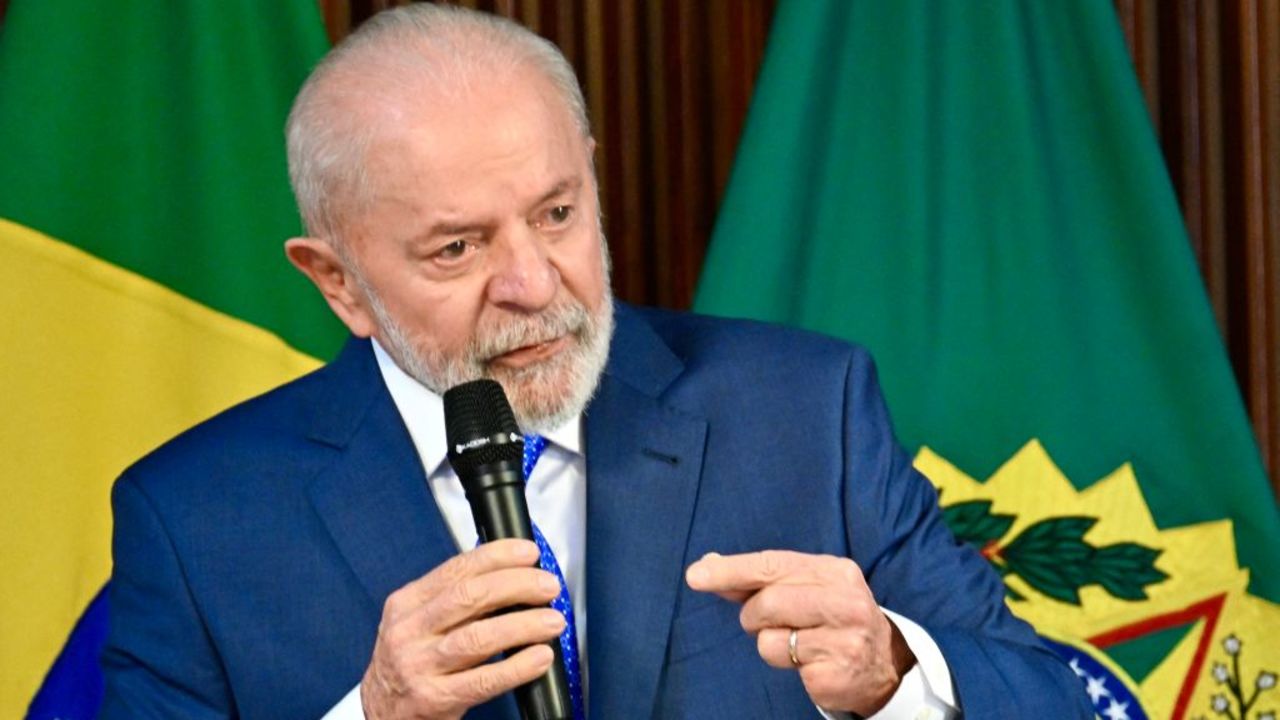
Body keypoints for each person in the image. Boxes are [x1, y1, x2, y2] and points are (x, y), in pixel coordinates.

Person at [100, 5, 1092, 719]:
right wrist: (372, 713)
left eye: (556, 213)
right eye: (458, 248)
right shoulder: (196, 520)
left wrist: (894, 673)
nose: (533, 283)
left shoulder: (803, 413)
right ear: (338, 283)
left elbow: (1055, 700)